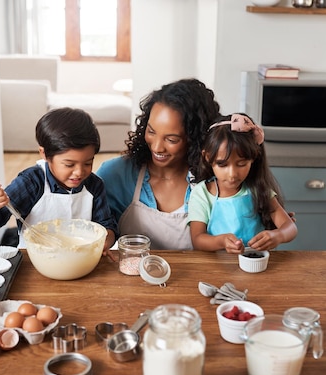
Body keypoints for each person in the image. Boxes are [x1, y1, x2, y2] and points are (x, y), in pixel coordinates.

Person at [0, 107, 118, 257]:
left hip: (80, 259)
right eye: (69, 165)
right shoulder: (31, 182)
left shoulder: (94, 185)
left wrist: (104, 242)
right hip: (34, 260)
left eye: (88, 163)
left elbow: (107, 226)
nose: (79, 172)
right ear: (44, 153)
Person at [96, 78, 221, 250]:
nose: (156, 147)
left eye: (171, 139)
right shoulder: (115, 174)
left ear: (196, 139)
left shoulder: (214, 181)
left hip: (197, 276)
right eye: (151, 131)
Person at [188, 113, 297, 254]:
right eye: (222, 165)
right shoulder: (202, 194)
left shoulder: (257, 189)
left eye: (241, 164)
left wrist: (278, 235)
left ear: (254, 158)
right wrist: (221, 241)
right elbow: (197, 239)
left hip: (257, 264)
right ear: (208, 157)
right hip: (217, 268)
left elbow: (290, 227)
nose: (232, 174)